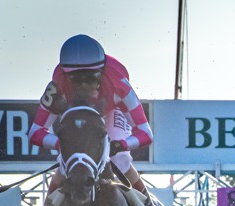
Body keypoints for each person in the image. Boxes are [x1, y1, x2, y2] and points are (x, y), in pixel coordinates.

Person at [28, 34, 153, 195]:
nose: (84, 85)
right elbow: (34, 132)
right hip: (76, 112)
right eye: (76, 79)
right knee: (66, 162)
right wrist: (62, 144)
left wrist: (121, 145)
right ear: (65, 76)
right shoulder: (56, 88)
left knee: (120, 159)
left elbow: (146, 133)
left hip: (111, 110)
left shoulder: (119, 85)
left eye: (90, 77)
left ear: (101, 73)